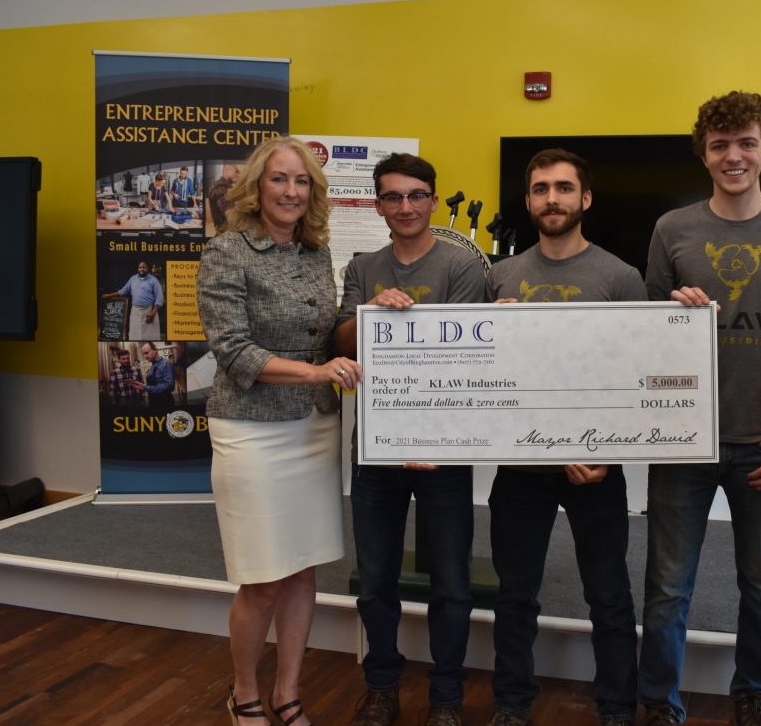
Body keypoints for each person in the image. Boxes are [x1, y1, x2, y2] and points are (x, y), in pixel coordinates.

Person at [639, 91, 761, 726]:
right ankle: (659, 704)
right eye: (720, 145)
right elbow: (645, 335)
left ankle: (753, 694)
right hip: (683, 442)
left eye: (746, 142)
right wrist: (673, 311)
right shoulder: (673, 230)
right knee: (667, 589)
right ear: (704, 155)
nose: (734, 156)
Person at [197, 135, 361, 726]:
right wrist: (317, 370)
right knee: (262, 578)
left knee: (301, 568)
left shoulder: (317, 253)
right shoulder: (226, 252)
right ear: (256, 187)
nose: (291, 191)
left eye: (302, 182)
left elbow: (332, 330)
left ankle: (288, 695)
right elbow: (233, 350)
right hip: (252, 429)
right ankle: (244, 693)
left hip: (314, 425)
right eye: (279, 179)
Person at [484, 149, 641, 726]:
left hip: (594, 467)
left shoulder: (621, 277)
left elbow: (636, 377)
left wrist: (605, 450)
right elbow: (487, 378)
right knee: (515, 594)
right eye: (542, 188)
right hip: (519, 468)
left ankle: (618, 709)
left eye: (565, 188)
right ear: (528, 201)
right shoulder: (499, 278)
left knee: (609, 596)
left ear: (585, 199)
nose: (553, 198)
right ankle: (510, 704)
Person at [335, 153, 489, 726]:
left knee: (451, 582)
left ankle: (446, 695)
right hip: (376, 449)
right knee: (375, 580)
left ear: (431, 199)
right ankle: (381, 685)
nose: (405, 206)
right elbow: (344, 342)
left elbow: (470, 356)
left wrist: (436, 436)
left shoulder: (462, 266)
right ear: (377, 204)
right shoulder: (363, 267)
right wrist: (369, 311)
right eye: (393, 197)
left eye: (416, 195)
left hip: (444, 452)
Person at [103, 260, 164, 341]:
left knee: (150, 336)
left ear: (148, 269)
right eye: (140, 267)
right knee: (135, 335)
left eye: (144, 267)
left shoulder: (153, 280)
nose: (141, 269)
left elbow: (159, 298)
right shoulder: (133, 279)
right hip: (135, 311)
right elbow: (122, 291)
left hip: (149, 311)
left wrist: (153, 314)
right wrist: (108, 295)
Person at [135, 340, 176, 409]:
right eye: (143, 354)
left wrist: (145, 387)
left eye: (147, 353)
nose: (145, 356)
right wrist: (142, 386)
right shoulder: (151, 367)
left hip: (165, 404)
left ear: (155, 350)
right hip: (153, 403)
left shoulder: (166, 364)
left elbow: (169, 386)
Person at [209, 163, 242, 231]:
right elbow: (229, 214)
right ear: (227, 168)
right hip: (225, 228)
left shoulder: (225, 186)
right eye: (236, 171)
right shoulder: (220, 187)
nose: (239, 175)